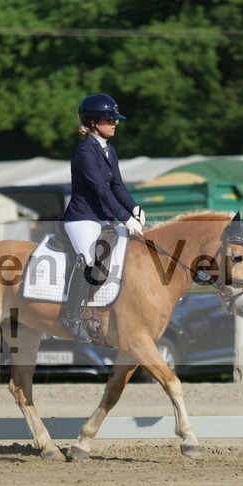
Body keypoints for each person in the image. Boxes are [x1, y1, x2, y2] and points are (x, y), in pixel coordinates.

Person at [60, 93, 145, 342]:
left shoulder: (110, 150)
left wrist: (134, 208)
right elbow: (100, 189)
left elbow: (117, 186)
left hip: (103, 217)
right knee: (89, 260)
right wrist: (122, 216)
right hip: (82, 218)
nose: (115, 123)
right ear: (93, 122)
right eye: (110, 120)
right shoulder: (85, 152)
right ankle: (72, 317)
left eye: (115, 120)